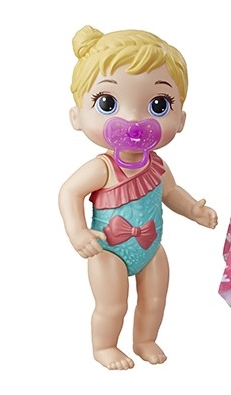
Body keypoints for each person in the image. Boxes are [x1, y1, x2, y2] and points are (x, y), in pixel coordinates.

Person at [59, 25, 218, 370]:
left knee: (155, 299)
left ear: (181, 119)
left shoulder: (156, 165)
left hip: (150, 247)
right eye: (108, 103)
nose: (133, 121)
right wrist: (78, 231)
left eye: (158, 105)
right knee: (113, 305)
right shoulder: (102, 167)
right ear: (76, 116)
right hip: (108, 250)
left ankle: (145, 340)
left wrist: (193, 210)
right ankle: (104, 346)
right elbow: (69, 191)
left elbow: (170, 192)